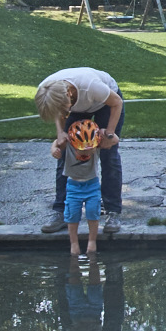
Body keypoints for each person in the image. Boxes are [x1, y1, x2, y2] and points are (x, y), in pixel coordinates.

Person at [36, 65, 124, 234]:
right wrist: (60, 133)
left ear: (69, 94)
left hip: (105, 104)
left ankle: (113, 212)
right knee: (65, 154)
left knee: (108, 154)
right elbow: (59, 111)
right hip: (75, 107)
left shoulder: (91, 86)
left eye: (64, 107)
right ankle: (60, 211)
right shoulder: (46, 90)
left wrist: (110, 134)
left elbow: (116, 103)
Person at [62, 119, 104, 260]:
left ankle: (92, 241)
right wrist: (54, 149)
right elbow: (56, 143)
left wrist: (105, 133)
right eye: (81, 149)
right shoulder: (68, 146)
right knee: (72, 214)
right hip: (73, 186)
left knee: (93, 211)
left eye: (88, 148)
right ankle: (74, 243)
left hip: (92, 185)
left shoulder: (96, 146)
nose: (85, 152)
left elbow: (114, 140)